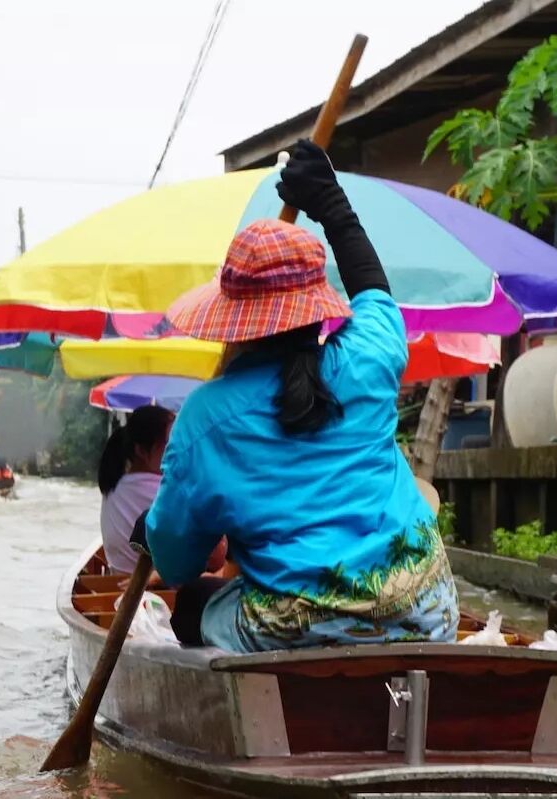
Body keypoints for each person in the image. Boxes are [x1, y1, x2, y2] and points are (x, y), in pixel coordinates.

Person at [137, 139, 459, 652]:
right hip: (426, 612)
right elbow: (372, 289)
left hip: (296, 632)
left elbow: (176, 566)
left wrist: (156, 532)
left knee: (195, 600)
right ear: (314, 309)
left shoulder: (204, 419)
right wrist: (332, 204)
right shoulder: (367, 358)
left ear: (234, 322)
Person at [98, 406, 226, 577]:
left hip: (117, 584)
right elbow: (217, 557)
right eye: (171, 443)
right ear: (141, 451)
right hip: (160, 588)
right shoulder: (161, 490)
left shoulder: (115, 485)